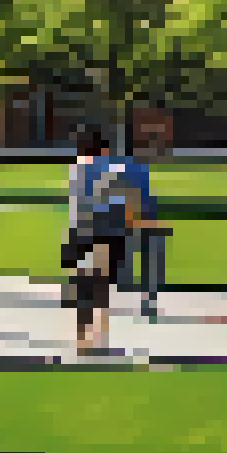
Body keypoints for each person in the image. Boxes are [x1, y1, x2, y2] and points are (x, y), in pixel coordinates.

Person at [64, 126, 142, 355]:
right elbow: (122, 200)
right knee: (101, 285)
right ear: (104, 149)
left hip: (78, 232)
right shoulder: (109, 169)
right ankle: (101, 335)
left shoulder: (75, 167)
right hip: (103, 232)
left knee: (82, 285)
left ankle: (81, 337)